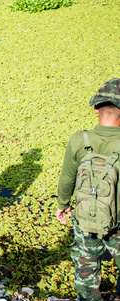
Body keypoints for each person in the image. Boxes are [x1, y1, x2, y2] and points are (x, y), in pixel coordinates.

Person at [57, 78, 120, 301]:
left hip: (86, 218)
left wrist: (62, 205)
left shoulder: (78, 140)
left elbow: (67, 178)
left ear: (96, 109)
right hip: (118, 223)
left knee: (85, 269)